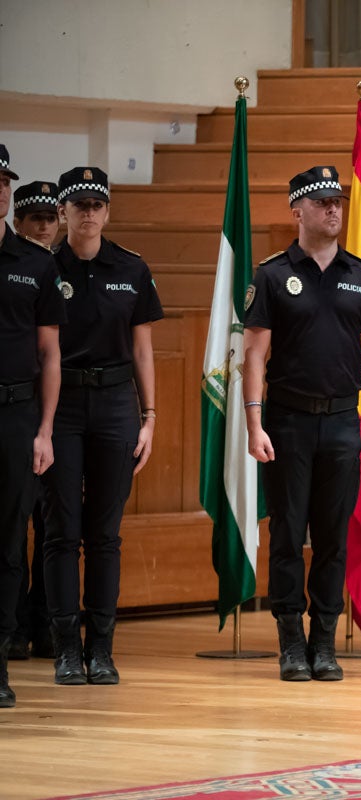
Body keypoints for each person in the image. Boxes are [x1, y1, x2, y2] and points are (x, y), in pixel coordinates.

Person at [243, 165, 361, 682]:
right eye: (322, 201)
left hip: (340, 423)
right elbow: (254, 356)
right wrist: (253, 424)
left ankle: (323, 641)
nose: (334, 209)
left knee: (333, 536)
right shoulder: (270, 274)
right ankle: (289, 641)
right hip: (285, 422)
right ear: (297, 211)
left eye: (339, 201)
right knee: (287, 533)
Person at [43, 166, 163, 686]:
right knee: (60, 532)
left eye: (97, 204)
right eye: (79, 205)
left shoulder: (131, 269)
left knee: (106, 535)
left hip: (116, 403)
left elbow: (142, 349)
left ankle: (103, 648)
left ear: (108, 211)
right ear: (63, 212)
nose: (88, 213)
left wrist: (150, 416)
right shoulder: (43, 268)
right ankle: (66, 648)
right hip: (62, 402)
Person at [0, 146, 65, 707]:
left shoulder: (35, 263)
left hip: (15, 414)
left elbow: (49, 353)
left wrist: (45, 429)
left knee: (6, 544)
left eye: (4, 181)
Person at [10, 180, 60, 662]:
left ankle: (41, 623)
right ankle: (21, 624)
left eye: (51, 218)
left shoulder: (53, 268)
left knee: (49, 527)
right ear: (19, 222)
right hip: (29, 411)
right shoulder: (30, 267)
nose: (44, 226)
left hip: (51, 413)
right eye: (36, 219)